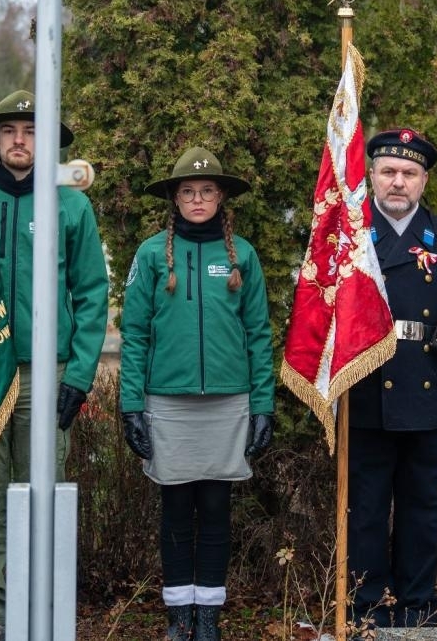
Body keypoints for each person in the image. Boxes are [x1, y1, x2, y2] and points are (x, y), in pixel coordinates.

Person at [0, 92, 110, 641]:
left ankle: (39, 609)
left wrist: (80, 375)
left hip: (46, 375)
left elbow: (92, 293)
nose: (20, 140)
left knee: (42, 495)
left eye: (30, 130)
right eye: (9, 130)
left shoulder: (70, 206)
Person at [118, 146, 274, 641]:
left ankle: (208, 615)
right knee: (175, 511)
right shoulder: (151, 255)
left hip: (229, 402)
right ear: (175, 199)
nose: (198, 199)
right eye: (188, 192)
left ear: (221, 196)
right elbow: (134, 334)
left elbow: (259, 334)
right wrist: (131, 405)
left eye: (207, 190)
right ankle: (178, 615)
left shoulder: (242, 254)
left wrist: (263, 405)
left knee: (215, 510)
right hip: (168, 402)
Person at [346, 128, 437, 629]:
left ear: (424, 181)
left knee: (421, 506)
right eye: (388, 171)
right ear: (372, 176)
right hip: (365, 388)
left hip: (428, 386)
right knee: (366, 508)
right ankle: (366, 607)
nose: (398, 182)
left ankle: (417, 605)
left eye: (409, 173)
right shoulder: (350, 234)